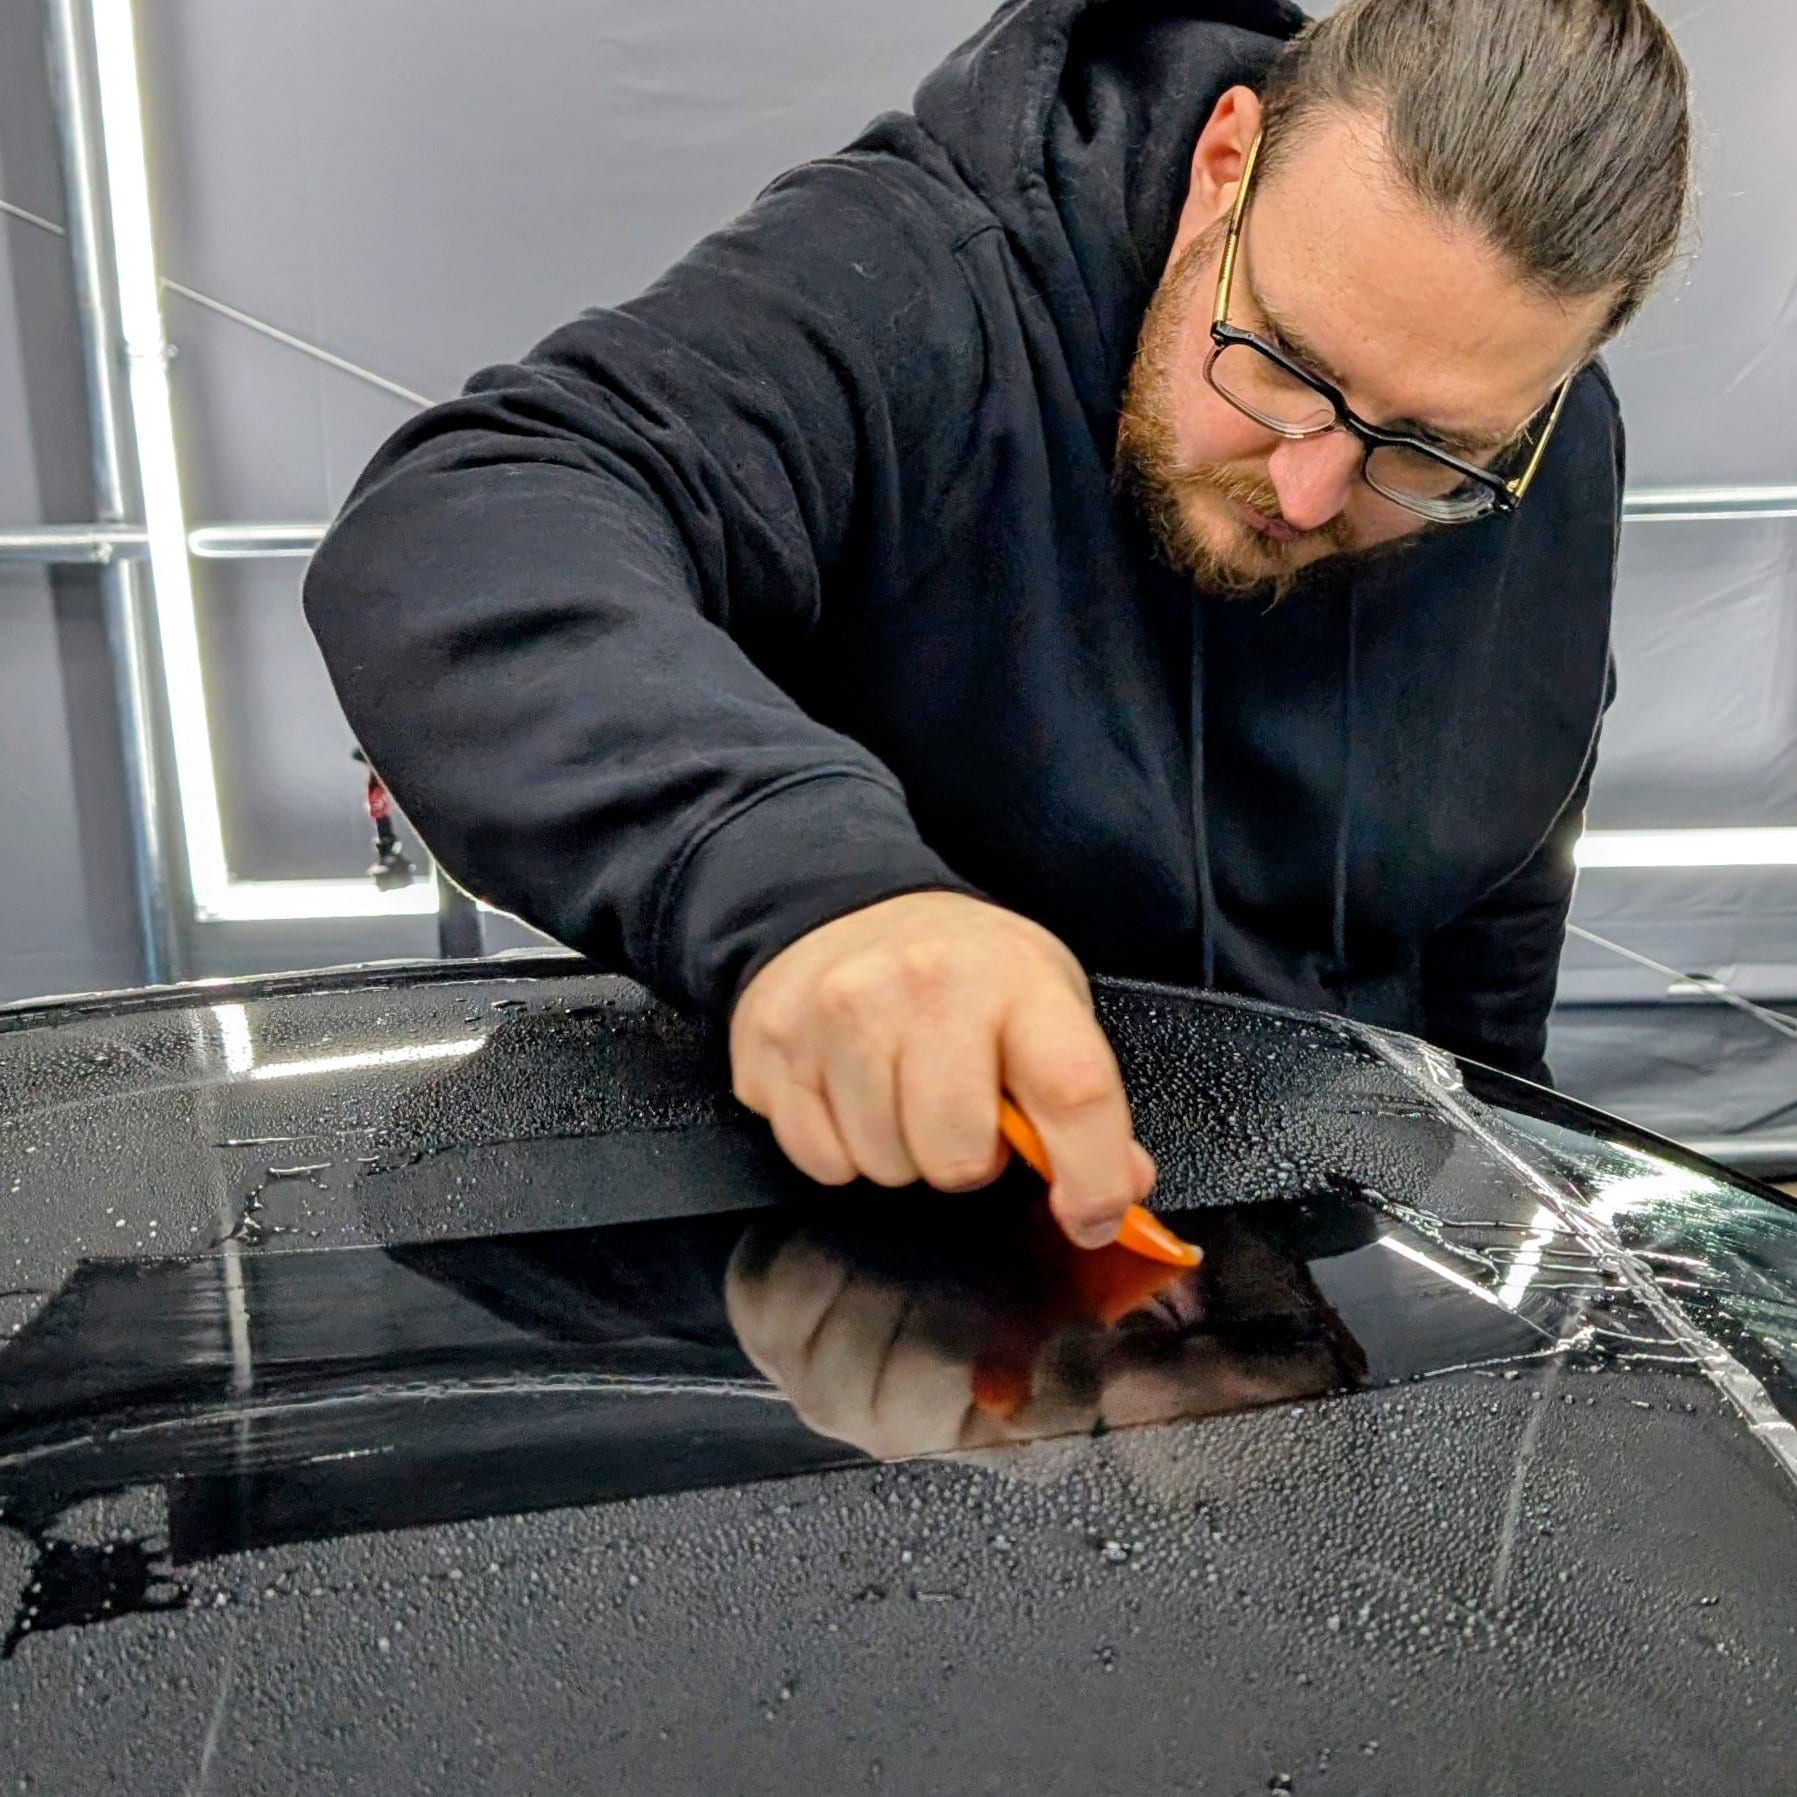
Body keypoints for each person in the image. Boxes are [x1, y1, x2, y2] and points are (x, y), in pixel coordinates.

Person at [305, 0, 1691, 1252]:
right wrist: (820, 893)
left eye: (1424, 456)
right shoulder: (927, 276)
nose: (1308, 482)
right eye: (1281, 362)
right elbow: (467, 518)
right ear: (1225, 163)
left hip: (1288, 1308)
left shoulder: (1542, 455)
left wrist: (1491, 1220)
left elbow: (1498, 905)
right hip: (853, 1293)